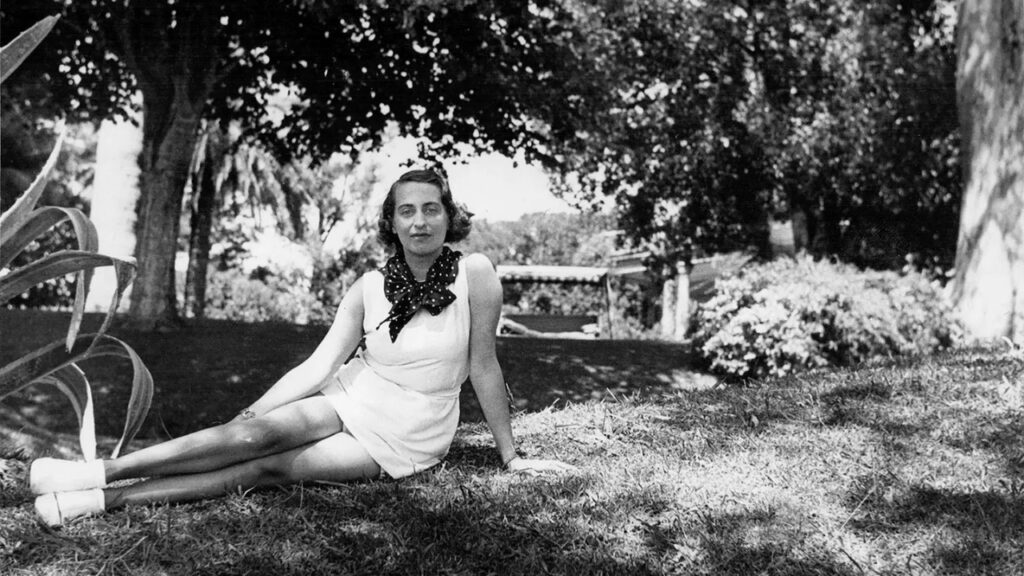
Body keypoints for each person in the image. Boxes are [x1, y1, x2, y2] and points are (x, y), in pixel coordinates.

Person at [29, 168, 575, 527]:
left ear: (448, 215)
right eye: (407, 210)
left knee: (267, 469)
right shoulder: (367, 286)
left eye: (431, 209)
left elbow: (484, 366)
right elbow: (320, 364)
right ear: (391, 222)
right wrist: (253, 411)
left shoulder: (476, 274)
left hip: (413, 430)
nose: (419, 221)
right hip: (354, 395)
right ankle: (94, 473)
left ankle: (98, 501)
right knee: (251, 437)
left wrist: (510, 456)